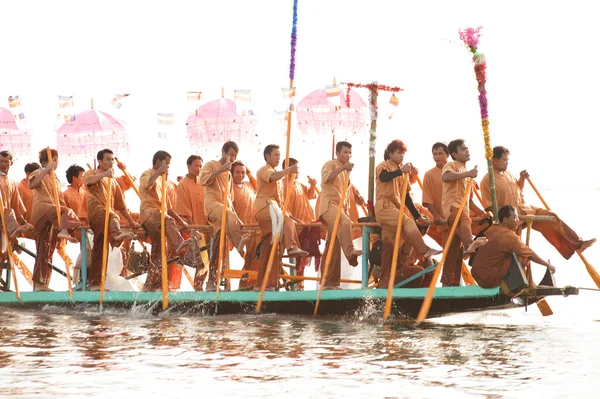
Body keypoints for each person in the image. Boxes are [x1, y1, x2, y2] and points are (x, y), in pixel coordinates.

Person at [480, 146, 595, 259]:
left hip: (526, 210)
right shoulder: (487, 180)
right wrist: (506, 218)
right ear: (494, 161)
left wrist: (522, 179)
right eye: (504, 160)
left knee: (552, 218)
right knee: (517, 251)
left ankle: (577, 244)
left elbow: (518, 188)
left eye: (508, 160)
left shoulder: (508, 173)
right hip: (512, 219)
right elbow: (490, 206)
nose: (507, 163)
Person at [375, 140, 442, 288]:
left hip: (394, 210)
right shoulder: (384, 166)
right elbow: (384, 177)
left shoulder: (402, 173)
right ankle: (424, 249)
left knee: (389, 246)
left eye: (403, 153)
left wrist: (418, 215)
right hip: (384, 207)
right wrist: (401, 171)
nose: (402, 156)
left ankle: (384, 282)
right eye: (399, 153)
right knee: (407, 222)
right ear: (391, 154)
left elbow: (406, 198)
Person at [139, 150, 196, 291]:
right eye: (167, 165)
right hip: (149, 214)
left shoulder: (163, 181)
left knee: (159, 252)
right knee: (167, 221)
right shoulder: (147, 173)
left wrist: (182, 222)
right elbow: (146, 185)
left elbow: (168, 208)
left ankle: (151, 286)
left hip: (161, 217)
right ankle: (181, 247)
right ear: (159, 162)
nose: (168, 168)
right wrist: (159, 172)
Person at [254, 144, 308, 291]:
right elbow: (272, 177)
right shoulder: (266, 169)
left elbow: (281, 203)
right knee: (286, 221)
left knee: (269, 246)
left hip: (273, 211)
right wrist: (289, 170)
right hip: (265, 209)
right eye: (276, 155)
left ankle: (263, 285)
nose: (279, 157)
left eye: (279, 155)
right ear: (267, 156)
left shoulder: (281, 177)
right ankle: (291, 247)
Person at [83, 149, 139, 290]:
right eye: (108, 159)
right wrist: (104, 175)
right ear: (100, 161)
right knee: (112, 216)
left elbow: (121, 206)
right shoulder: (93, 173)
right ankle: (117, 235)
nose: (111, 162)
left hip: (108, 218)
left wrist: (131, 222)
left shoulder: (113, 182)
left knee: (101, 249)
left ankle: (96, 283)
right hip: (97, 212)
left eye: (112, 159)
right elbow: (88, 181)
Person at [28, 148, 82, 291]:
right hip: (42, 210)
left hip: (54, 213)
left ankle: (42, 284)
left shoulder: (56, 178)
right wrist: (46, 170)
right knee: (43, 247)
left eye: (57, 160)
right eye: (53, 160)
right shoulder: (38, 172)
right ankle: (67, 230)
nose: (56, 163)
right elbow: (32, 185)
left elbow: (61, 201)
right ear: (44, 162)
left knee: (46, 249)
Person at [199, 141, 249, 291]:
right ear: (223, 152)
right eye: (230, 155)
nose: (232, 158)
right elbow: (203, 181)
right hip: (213, 206)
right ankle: (240, 247)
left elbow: (229, 199)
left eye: (235, 156)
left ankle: (211, 282)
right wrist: (220, 169)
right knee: (229, 217)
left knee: (219, 247)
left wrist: (237, 219)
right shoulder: (211, 164)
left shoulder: (228, 175)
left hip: (224, 213)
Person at [317, 141, 365, 289]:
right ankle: (350, 252)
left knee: (333, 245)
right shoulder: (330, 164)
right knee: (345, 223)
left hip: (340, 208)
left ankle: (329, 283)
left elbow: (347, 189)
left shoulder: (346, 172)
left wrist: (358, 197)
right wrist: (342, 167)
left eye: (350, 153)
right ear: (337, 153)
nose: (348, 155)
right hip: (329, 207)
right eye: (345, 152)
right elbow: (327, 179)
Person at [471, 205, 556, 288]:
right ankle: (515, 287)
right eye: (515, 217)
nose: (518, 220)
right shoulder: (509, 236)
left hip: (478, 275)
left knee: (514, 253)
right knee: (523, 257)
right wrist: (547, 265)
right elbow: (530, 255)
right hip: (488, 279)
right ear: (505, 220)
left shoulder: (491, 229)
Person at [441, 139, 483, 286]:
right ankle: (470, 245)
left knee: (453, 249)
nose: (467, 151)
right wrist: (468, 174)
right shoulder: (451, 165)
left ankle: (448, 282)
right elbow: (446, 177)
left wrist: (483, 214)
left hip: (462, 208)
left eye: (467, 148)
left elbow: (470, 201)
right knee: (465, 220)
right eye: (463, 149)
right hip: (453, 208)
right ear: (454, 153)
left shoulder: (467, 173)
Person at [282, 157, 318, 289]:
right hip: (295, 226)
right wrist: (297, 221)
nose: (298, 173)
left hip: (306, 224)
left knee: (304, 255)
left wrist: (312, 186)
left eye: (298, 170)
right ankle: (297, 285)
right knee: (299, 257)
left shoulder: (299, 184)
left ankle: (300, 284)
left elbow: (310, 195)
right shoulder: (283, 185)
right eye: (296, 169)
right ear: (289, 169)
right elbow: (285, 209)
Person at [176, 155, 210, 290]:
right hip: (194, 227)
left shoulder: (203, 181)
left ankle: (202, 286)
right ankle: (197, 287)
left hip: (207, 226)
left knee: (209, 259)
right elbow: (184, 209)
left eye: (201, 166)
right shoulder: (183, 184)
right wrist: (192, 227)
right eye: (196, 165)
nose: (199, 168)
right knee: (200, 259)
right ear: (188, 166)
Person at [231, 160, 260, 290]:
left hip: (255, 227)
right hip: (241, 229)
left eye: (242, 172)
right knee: (248, 258)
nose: (240, 175)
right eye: (237, 172)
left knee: (255, 256)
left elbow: (259, 186)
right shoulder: (229, 187)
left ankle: (249, 284)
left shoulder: (248, 185)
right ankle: (244, 285)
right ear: (232, 173)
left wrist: (249, 172)